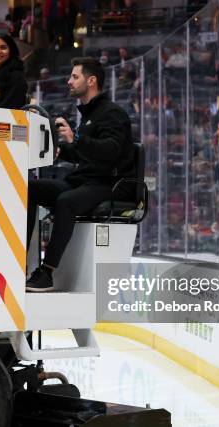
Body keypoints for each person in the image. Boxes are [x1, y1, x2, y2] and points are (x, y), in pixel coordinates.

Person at [25, 57, 135, 292]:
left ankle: (47, 273)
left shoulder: (112, 114)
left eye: (75, 77)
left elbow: (111, 151)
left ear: (91, 81)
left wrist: (76, 139)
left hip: (110, 183)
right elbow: (84, 154)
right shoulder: (90, 113)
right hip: (85, 180)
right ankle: (18, 261)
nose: (69, 81)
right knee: (28, 189)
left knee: (66, 202)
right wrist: (61, 150)